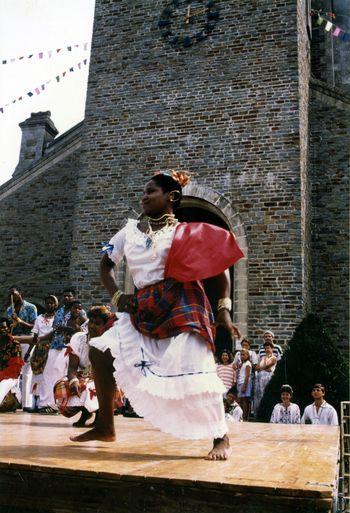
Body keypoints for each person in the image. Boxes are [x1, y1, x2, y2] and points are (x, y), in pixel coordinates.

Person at [71, 170, 244, 461]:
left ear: (171, 197)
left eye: (151, 191)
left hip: (183, 302)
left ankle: (220, 436)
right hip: (143, 306)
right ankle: (104, 425)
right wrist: (117, 296)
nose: (144, 196)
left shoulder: (186, 232)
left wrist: (223, 309)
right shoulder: (128, 232)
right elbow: (105, 266)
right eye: (144, 191)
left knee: (195, 365)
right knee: (99, 351)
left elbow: (219, 270)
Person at [54, 306, 116, 426]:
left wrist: (93, 378)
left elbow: (112, 369)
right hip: (83, 376)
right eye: (91, 322)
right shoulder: (78, 339)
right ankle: (85, 412)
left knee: (92, 387)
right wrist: (74, 380)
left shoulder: (110, 342)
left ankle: (100, 416)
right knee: (63, 386)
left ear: (105, 326)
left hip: (105, 378)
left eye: (97, 323)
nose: (92, 326)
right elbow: (72, 367)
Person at [6, 286, 37, 411]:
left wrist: (20, 321)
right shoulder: (9, 309)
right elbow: (8, 328)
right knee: (13, 371)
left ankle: (27, 404)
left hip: (27, 341)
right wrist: (12, 324)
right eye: (11, 295)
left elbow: (34, 327)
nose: (12, 297)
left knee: (27, 372)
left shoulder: (31, 307)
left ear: (21, 293)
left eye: (15, 294)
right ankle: (14, 402)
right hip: (14, 340)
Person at [0, 318, 24, 412]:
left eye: (5, 327)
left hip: (10, 377)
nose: (3, 330)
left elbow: (15, 369)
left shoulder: (15, 344)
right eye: (0, 328)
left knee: (3, 384)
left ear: (9, 329)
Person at [254, 339, 277, 414]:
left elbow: (269, 368)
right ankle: (258, 413)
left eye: (268, 348)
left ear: (272, 348)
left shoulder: (273, 358)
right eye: (265, 348)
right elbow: (256, 368)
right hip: (260, 378)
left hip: (268, 378)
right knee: (259, 395)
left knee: (265, 394)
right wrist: (261, 368)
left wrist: (261, 368)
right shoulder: (262, 357)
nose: (267, 349)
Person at [236, 349, 252, 421]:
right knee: (240, 401)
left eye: (244, 355)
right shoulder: (241, 364)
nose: (242, 356)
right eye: (241, 355)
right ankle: (240, 417)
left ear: (247, 355)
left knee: (245, 401)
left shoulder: (248, 363)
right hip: (240, 382)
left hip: (245, 383)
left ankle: (245, 418)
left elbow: (247, 375)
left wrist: (244, 386)